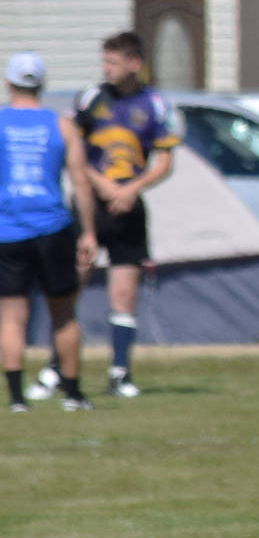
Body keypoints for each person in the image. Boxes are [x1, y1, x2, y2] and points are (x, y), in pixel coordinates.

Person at [66, 31, 178, 399]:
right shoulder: (90, 99)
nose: (107, 68)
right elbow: (73, 151)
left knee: (124, 293)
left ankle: (120, 372)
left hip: (128, 208)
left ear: (135, 63)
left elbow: (165, 162)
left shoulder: (155, 104)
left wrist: (131, 189)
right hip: (90, 205)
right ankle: (57, 368)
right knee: (69, 288)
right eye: (105, 61)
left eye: (113, 62)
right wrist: (100, 185)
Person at [1, 53, 96, 413]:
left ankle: (17, 398)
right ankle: (72, 394)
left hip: (7, 229)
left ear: (9, 83)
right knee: (64, 314)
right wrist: (88, 232)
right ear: (41, 84)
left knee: (11, 316)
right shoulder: (62, 126)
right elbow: (81, 182)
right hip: (53, 228)